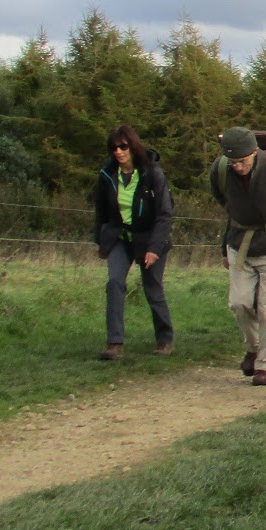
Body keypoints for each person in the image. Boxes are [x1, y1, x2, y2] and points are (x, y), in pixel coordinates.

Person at [210, 126, 266, 388]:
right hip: (240, 243)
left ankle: (265, 364)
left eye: (242, 161)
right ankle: (253, 348)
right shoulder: (220, 169)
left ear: (254, 152)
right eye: (233, 162)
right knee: (239, 303)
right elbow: (222, 199)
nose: (238, 167)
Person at [92, 125, 175, 360]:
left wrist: (154, 249)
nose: (118, 151)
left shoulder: (153, 174)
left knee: (152, 288)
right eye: (114, 148)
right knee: (114, 283)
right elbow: (100, 211)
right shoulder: (107, 174)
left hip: (149, 238)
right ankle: (114, 343)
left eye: (123, 146)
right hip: (120, 237)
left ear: (133, 146)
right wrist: (101, 241)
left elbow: (164, 214)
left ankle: (165, 339)